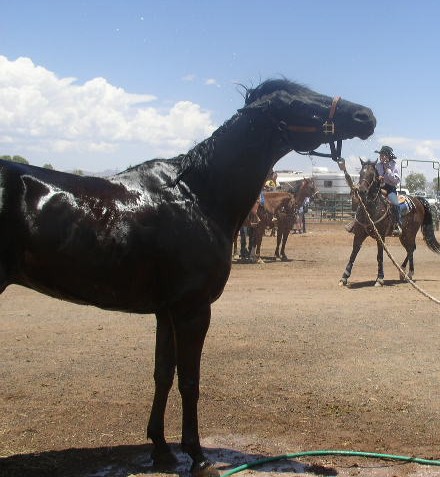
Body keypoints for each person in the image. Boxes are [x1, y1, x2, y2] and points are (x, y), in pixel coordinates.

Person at [374, 145, 402, 236]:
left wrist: (389, 172)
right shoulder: (377, 166)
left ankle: (397, 225)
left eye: (383, 155)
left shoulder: (394, 166)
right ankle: (357, 222)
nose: (381, 157)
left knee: (395, 203)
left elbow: (397, 181)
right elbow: (373, 177)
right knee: (366, 198)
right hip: (378, 187)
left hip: (390, 188)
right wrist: (378, 178)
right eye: (380, 155)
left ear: (388, 156)